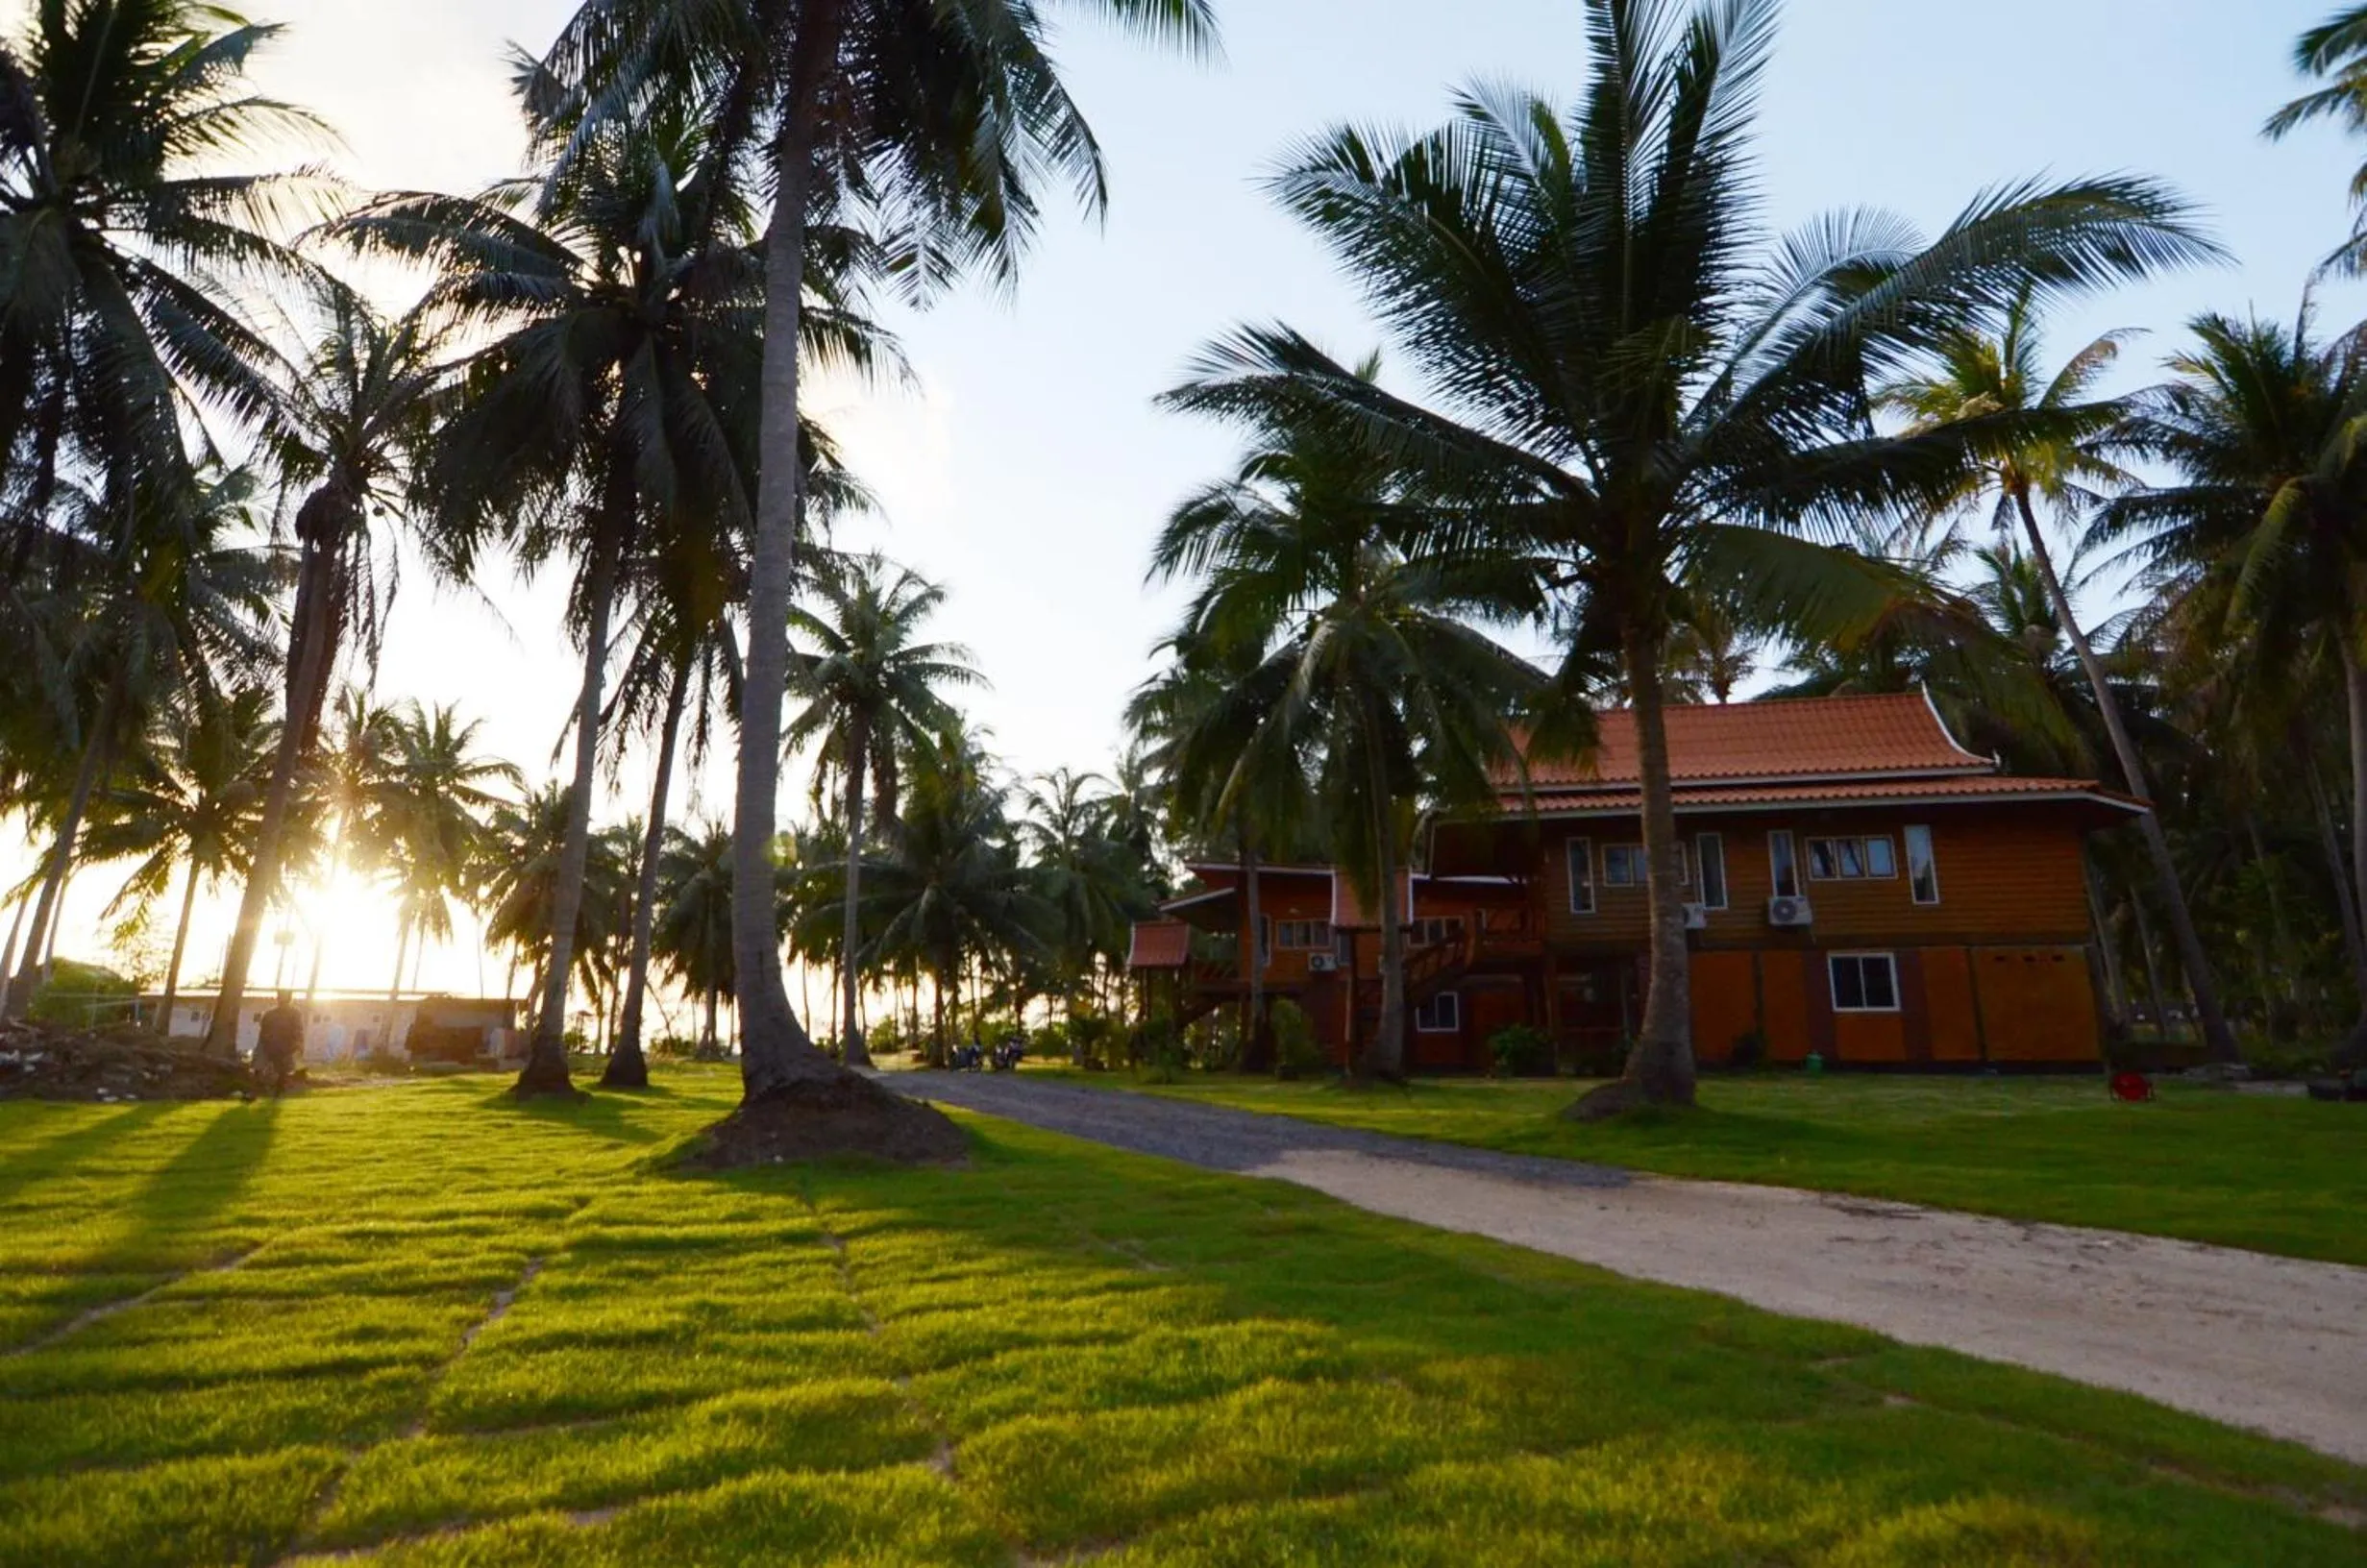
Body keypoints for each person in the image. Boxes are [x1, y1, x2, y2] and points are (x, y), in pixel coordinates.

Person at [254, 991, 305, 1095]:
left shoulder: (294, 1014)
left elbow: (298, 1030)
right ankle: (258, 1086)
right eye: (281, 999)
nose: (282, 1002)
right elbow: (264, 1029)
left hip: (285, 1045)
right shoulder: (270, 1014)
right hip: (270, 1044)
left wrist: (297, 1043)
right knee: (259, 1064)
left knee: (283, 1068)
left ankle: (279, 1088)